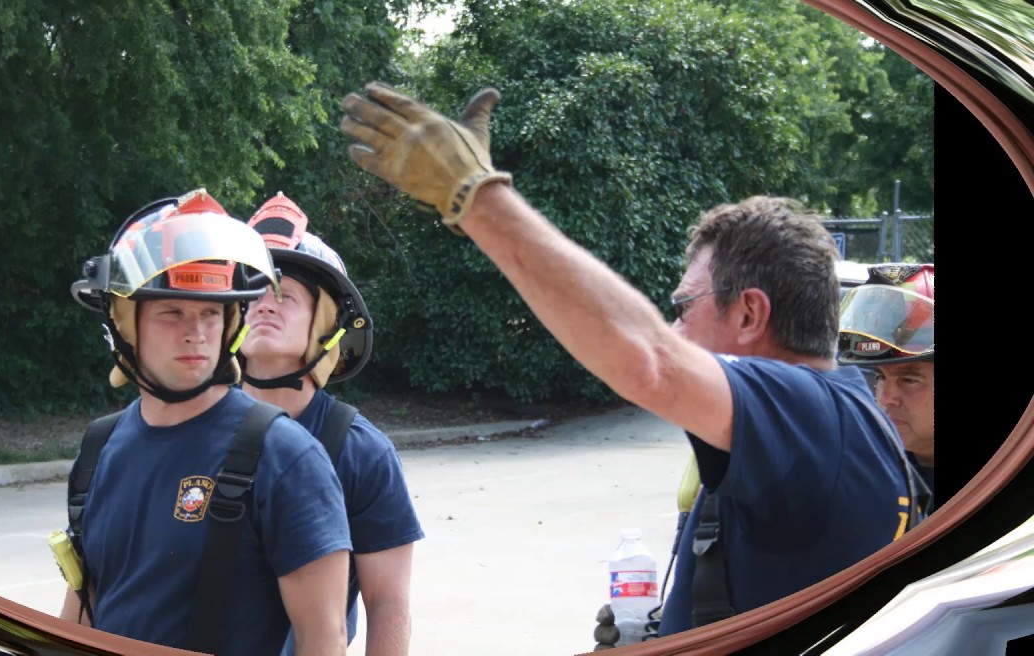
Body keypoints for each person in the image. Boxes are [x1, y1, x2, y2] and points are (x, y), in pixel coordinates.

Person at [338, 83, 914, 637]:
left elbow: (649, 361)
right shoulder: (829, 422)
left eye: (684, 306)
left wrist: (475, 197)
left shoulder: (808, 413)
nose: (673, 326)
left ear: (748, 315)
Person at [61, 188, 352, 655]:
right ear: (125, 323)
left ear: (231, 322)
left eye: (211, 313)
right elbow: (86, 605)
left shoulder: (285, 457)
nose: (195, 332)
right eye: (172, 312)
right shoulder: (99, 449)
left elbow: (324, 639)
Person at [238, 192, 425, 656]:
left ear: (326, 326)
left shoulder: (360, 452)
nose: (264, 303)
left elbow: (388, 603)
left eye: (285, 294)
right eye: (253, 290)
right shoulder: (195, 430)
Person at [838, 262, 936, 514]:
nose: (887, 399)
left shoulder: (1002, 474)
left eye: (910, 380)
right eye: (881, 377)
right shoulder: (869, 468)